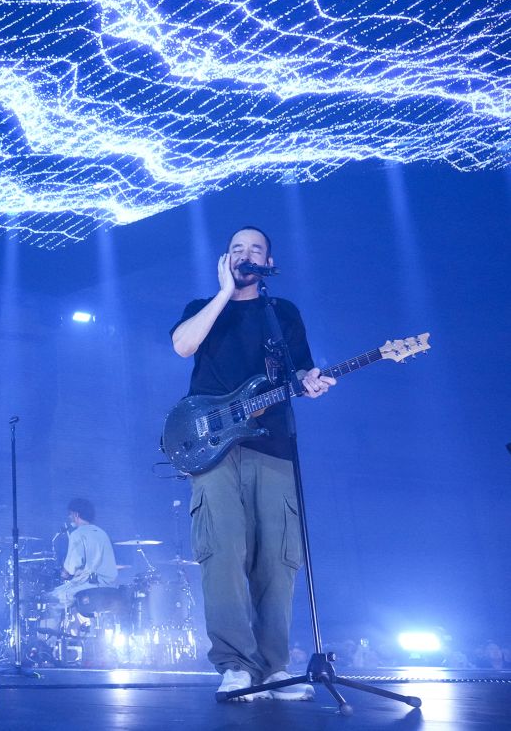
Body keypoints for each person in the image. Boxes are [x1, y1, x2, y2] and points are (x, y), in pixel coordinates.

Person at [169, 226, 335, 701]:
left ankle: (274, 666)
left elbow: (300, 369)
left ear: (268, 262)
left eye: (254, 249)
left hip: (274, 444)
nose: (245, 254)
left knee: (277, 560)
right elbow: (183, 346)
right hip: (214, 449)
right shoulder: (201, 310)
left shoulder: (281, 313)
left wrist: (312, 381)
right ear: (225, 260)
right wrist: (223, 294)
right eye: (236, 249)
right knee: (221, 554)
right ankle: (234, 664)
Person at [49, 498, 118, 608]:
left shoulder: (77, 534)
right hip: (109, 586)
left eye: (70, 514)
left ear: (76, 514)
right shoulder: (102, 533)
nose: (69, 517)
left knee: (50, 599)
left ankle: (57, 625)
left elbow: (71, 567)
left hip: (89, 587)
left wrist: (64, 572)